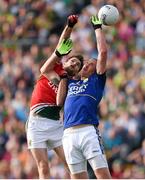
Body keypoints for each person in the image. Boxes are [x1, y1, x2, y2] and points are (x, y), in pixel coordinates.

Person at [26, 15, 84, 179]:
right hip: (36, 123)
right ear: (65, 61)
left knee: (71, 164)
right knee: (43, 167)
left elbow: (60, 102)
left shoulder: (72, 83)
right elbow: (61, 43)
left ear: (77, 71)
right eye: (72, 60)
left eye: (77, 65)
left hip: (56, 125)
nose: (74, 64)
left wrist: (65, 78)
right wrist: (70, 26)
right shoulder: (55, 66)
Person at [57, 15, 112, 179]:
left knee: (102, 175)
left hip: (88, 131)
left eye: (92, 64)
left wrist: (97, 29)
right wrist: (69, 27)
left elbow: (102, 52)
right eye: (87, 62)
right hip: (68, 134)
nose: (87, 64)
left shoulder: (97, 80)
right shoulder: (70, 80)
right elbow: (59, 52)